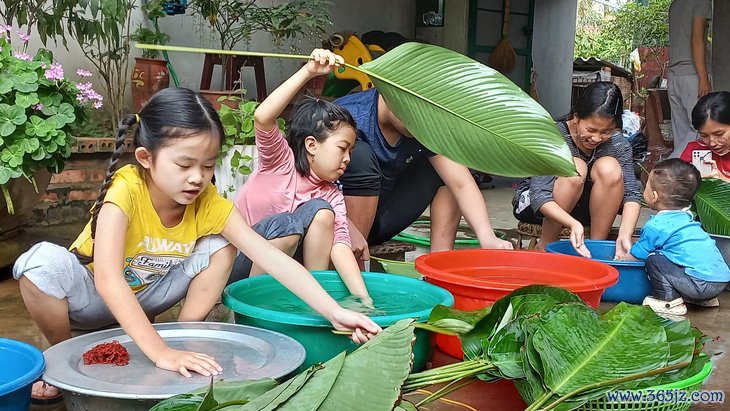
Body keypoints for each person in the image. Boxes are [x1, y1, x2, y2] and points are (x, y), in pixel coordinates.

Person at [13, 87, 380, 403]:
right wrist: (158, 354)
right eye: (185, 164)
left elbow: (267, 254)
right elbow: (109, 279)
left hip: (150, 295)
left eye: (207, 166)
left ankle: (186, 334)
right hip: (94, 297)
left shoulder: (207, 201)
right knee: (40, 263)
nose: (197, 178)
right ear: (147, 158)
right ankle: (59, 357)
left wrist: (335, 311)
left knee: (223, 243)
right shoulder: (126, 189)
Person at [231, 49, 369, 303]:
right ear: (311, 145)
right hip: (240, 267)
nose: (348, 158)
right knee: (287, 224)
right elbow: (262, 117)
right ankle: (250, 303)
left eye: (351, 150)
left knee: (322, 211)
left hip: (288, 275)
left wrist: (365, 301)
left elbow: (339, 246)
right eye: (342, 148)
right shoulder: (279, 162)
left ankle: (312, 302)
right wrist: (308, 72)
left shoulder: (331, 195)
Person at [334, 89, 513, 261]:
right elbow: (311, 186)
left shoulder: (426, 126)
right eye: (414, 119)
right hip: (339, 225)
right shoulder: (345, 116)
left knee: (448, 168)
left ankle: (440, 262)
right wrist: (346, 226)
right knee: (360, 156)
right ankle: (354, 258)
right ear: (389, 96)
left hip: (384, 217)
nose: (421, 127)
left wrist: (487, 237)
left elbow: (461, 184)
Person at [512, 82, 642, 258]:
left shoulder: (618, 143)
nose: (597, 138)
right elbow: (539, 195)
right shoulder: (554, 135)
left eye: (607, 131)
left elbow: (632, 194)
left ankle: (595, 251)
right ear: (576, 117)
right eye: (591, 130)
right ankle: (545, 248)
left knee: (610, 168)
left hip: (586, 209)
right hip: (539, 206)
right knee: (576, 168)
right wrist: (573, 224)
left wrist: (624, 235)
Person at [619, 159, 729, 316]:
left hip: (700, 284)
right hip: (720, 282)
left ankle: (667, 300)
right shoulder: (687, 217)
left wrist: (622, 259)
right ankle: (703, 299)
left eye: (646, 187)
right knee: (672, 257)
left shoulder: (658, 225)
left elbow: (639, 254)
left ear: (654, 196)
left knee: (654, 258)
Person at [668, 0, 713, 158]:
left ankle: (679, 175)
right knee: (702, 129)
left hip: (674, 75)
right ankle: (669, 167)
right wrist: (703, 77)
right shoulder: (702, 2)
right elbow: (697, 38)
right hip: (693, 75)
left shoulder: (675, 4)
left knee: (680, 133)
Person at [680, 91, 730, 181]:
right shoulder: (694, 150)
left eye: (719, 134)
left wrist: (723, 181)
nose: (712, 142)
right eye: (704, 135)